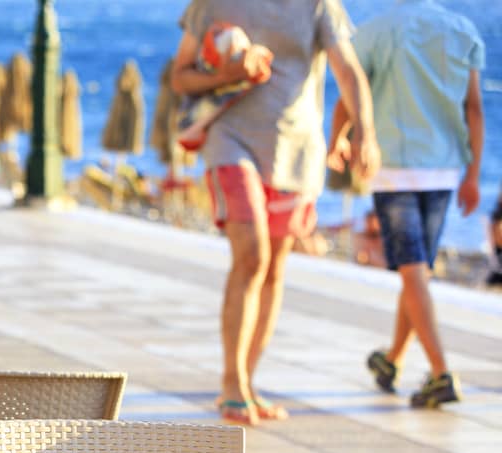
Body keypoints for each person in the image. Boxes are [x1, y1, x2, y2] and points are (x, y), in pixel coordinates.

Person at [171, 0, 378, 426]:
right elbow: (180, 76)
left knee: (274, 270)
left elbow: (348, 70)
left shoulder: (319, 5)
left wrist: (365, 132)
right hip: (230, 139)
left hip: (295, 151)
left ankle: (248, 380)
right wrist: (228, 74)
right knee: (252, 256)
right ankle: (231, 384)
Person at [339, 0, 485, 409]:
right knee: (415, 269)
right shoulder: (462, 31)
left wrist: (338, 139)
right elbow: (473, 108)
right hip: (444, 169)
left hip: (393, 168)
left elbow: (351, 94)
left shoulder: (374, 32)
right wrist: (473, 175)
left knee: (412, 269)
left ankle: (441, 373)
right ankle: (392, 359)